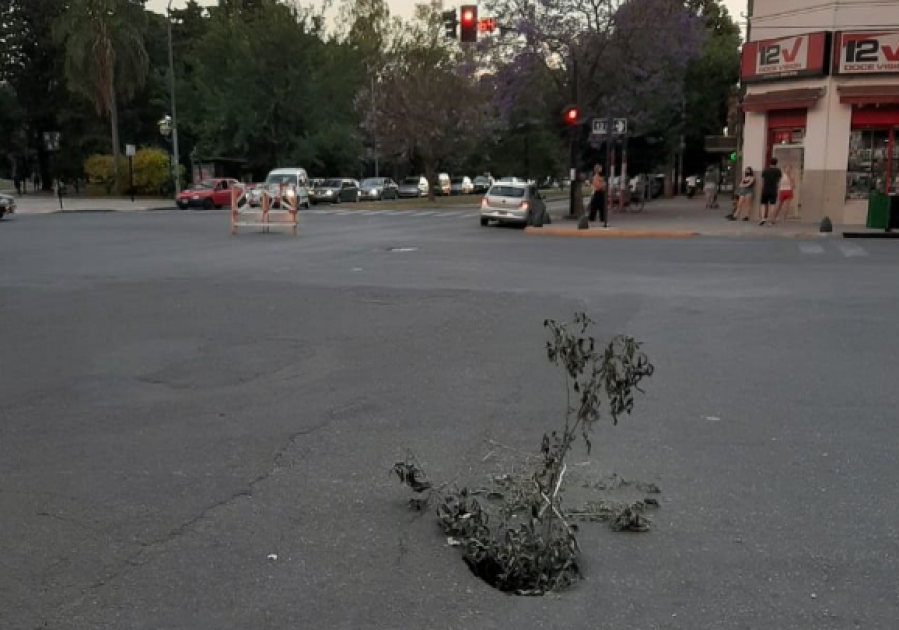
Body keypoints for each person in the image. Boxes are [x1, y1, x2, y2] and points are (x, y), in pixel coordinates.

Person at [758, 158, 782, 225]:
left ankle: (762, 218)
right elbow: (779, 181)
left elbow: (762, 181)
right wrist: (778, 188)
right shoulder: (778, 171)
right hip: (773, 189)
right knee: (772, 205)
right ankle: (771, 220)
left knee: (763, 204)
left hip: (765, 189)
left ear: (770, 163)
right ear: (776, 163)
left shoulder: (765, 170)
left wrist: (762, 189)